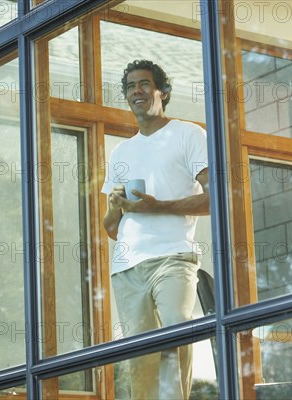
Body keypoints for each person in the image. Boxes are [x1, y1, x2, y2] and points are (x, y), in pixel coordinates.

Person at [101, 59, 209, 400]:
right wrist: (115, 206)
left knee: (178, 328)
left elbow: (216, 199)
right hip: (128, 267)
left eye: (145, 84)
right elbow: (110, 228)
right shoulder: (122, 151)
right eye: (131, 86)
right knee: (141, 359)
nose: (137, 91)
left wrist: (158, 207)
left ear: (162, 91)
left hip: (174, 256)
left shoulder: (189, 134)